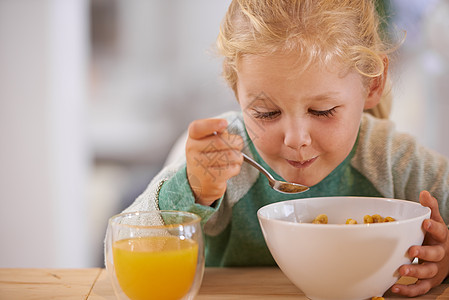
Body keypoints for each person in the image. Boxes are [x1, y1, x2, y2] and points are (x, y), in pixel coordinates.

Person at [124, 0, 449, 297]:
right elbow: (128, 247)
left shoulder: (391, 159)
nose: (295, 139)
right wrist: (193, 190)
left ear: (373, 83)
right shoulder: (223, 159)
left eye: (322, 111)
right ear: (236, 89)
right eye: (266, 113)